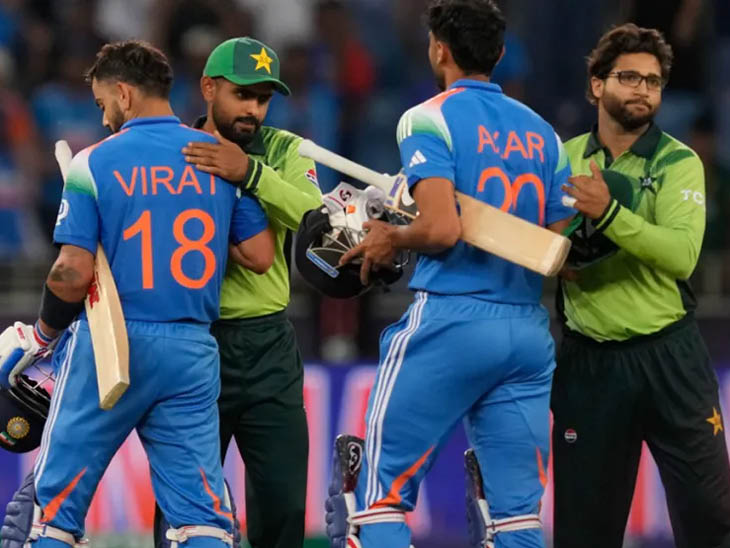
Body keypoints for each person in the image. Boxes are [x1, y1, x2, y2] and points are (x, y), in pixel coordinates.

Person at [0, 40, 274, 547]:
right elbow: (260, 255)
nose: (104, 117)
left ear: (124, 94)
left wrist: (41, 336)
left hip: (110, 345)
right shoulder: (214, 158)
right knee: (202, 517)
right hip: (192, 350)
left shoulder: (94, 162)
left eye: (103, 103)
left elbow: (70, 272)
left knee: (51, 511)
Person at [326, 1, 575, 547]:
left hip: (451, 320)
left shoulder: (426, 118)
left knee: (375, 501)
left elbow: (441, 230)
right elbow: (558, 248)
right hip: (526, 331)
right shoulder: (545, 134)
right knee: (517, 517)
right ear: (500, 54)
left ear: (438, 49)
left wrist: (392, 236)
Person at [552, 23, 730, 548]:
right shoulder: (561, 158)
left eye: (653, 82)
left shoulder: (678, 162)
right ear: (596, 85)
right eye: (629, 77)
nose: (643, 90)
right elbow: (536, 241)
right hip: (590, 365)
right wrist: (553, 256)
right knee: (584, 534)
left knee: (711, 522)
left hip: (670, 359)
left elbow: (681, 256)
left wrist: (608, 214)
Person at [156, 37, 322, 548]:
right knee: (184, 510)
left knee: (283, 505)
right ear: (208, 88)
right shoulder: (174, 147)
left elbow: (316, 220)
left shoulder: (285, 149)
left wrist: (248, 172)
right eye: (242, 95)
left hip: (269, 345)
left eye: (263, 98)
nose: (254, 109)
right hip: (194, 341)